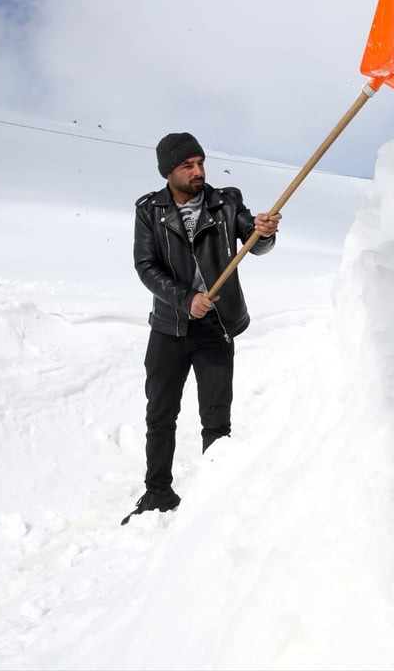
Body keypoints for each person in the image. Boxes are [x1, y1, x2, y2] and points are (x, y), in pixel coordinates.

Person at [126, 132, 280, 519]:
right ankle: (158, 493)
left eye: (200, 163)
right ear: (168, 172)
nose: (198, 172)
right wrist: (184, 299)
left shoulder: (225, 202)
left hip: (216, 328)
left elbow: (254, 244)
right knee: (160, 416)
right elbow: (146, 267)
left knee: (216, 419)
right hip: (169, 329)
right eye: (187, 166)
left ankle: (217, 502)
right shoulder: (149, 211)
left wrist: (264, 231)